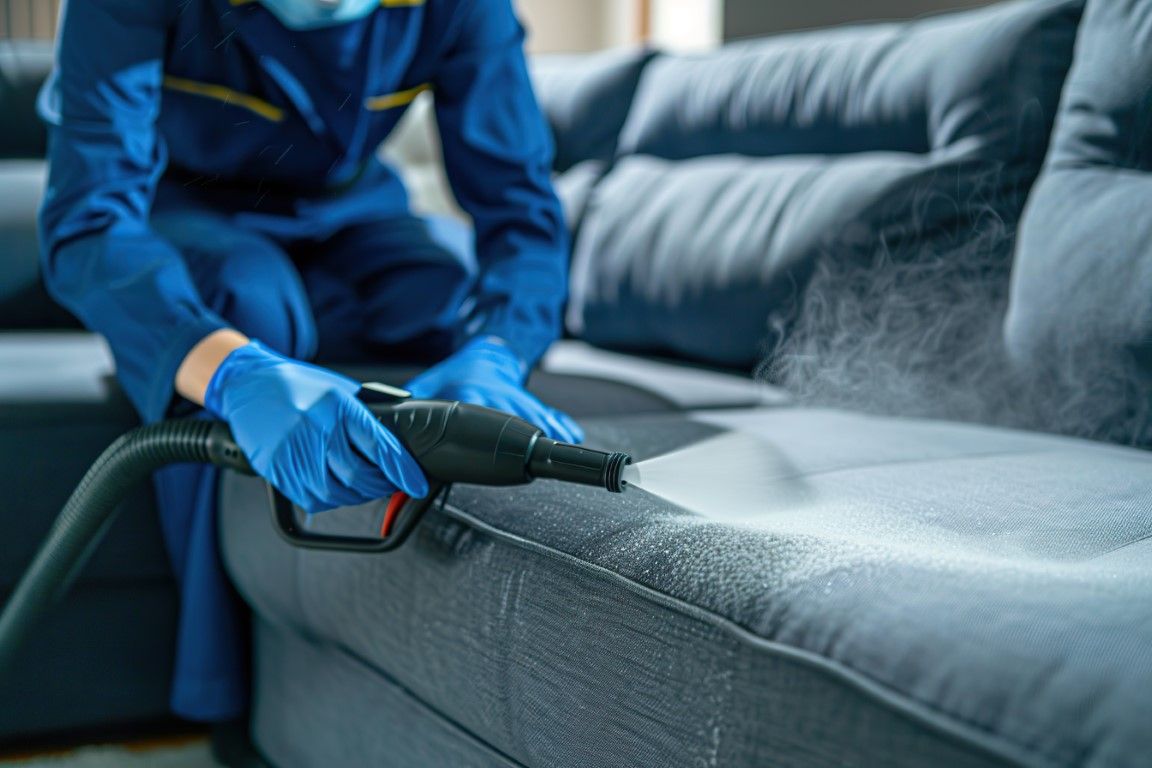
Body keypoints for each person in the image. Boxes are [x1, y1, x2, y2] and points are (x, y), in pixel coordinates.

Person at [37, 0, 582, 724]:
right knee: (248, 305)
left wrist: (495, 354)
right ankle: (222, 704)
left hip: (351, 215)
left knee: (443, 301)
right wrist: (233, 371)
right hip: (188, 215)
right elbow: (90, 223)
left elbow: (521, 217)